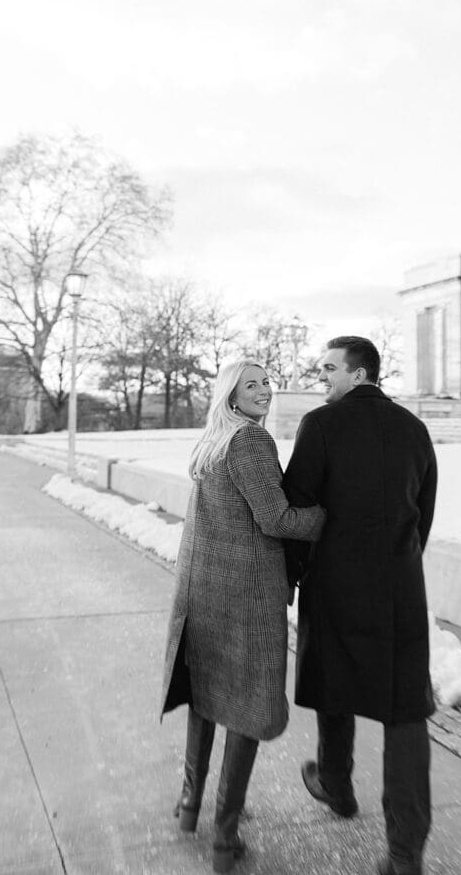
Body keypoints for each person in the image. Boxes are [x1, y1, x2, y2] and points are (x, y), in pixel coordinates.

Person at [160, 359, 325, 874]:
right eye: (251, 384)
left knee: (208, 699)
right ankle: (225, 837)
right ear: (230, 394)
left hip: (203, 591)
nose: (264, 390)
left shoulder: (211, 442)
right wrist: (329, 516)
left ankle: (191, 804)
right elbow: (275, 518)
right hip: (247, 600)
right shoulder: (250, 441)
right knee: (247, 706)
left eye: (266, 382)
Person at [283, 336, 438, 875]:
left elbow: (298, 508)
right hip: (400, 591)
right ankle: (404, 854)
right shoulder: (415, 429)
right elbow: (424, 512)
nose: (321, 376)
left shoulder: (320, 425)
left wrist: (294, 573)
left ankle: (336, 783)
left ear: (359, 372)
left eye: (329, 368)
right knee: (405, 712)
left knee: (334, 683)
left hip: (333, 583)